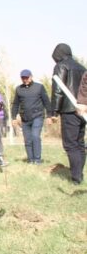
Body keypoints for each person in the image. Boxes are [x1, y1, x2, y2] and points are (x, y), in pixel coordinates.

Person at [49, 43, 86, 185]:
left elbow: (58, 90)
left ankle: (76, 178)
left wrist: (54, 111)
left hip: (69, 110)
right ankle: (79, 174)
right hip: (83, 110)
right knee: (80, 143)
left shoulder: (60, 66)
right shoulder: (81, 67)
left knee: (71, 145)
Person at [11, 70, 50, 164]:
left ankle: (37, 159)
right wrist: (13, 118)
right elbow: (15, 104)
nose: (25, 80)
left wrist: (49, 115)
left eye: (27, 77)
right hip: (25, 118)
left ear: (31, 77)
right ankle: (30, 159)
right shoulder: (19, 89)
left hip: (38, 116)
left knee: (35, 136)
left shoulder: (39, 87)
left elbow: (46, 102)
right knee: (27, 139)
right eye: (23, 78)